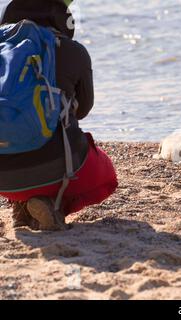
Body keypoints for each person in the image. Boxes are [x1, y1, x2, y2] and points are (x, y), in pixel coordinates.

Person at [0, 0, 118, 230]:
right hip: (54, 167)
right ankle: (53, 205)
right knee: (106, 177)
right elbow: (83, 110)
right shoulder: (74, 51)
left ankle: (21, 205)